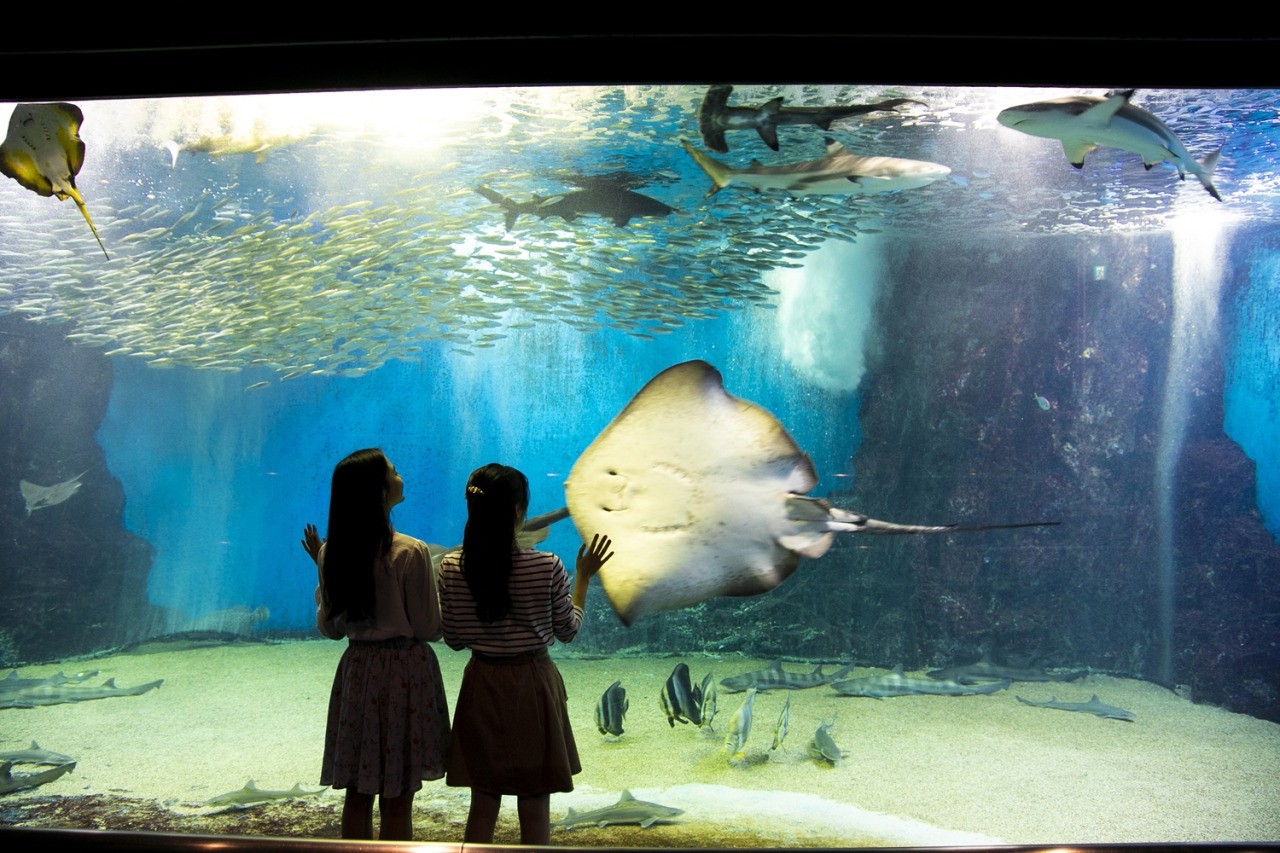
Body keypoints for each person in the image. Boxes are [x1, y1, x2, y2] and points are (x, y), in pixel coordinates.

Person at [437, 462, 613, 845]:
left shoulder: (451, 568)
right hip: (532, 685)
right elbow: (568, 631)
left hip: (482, 684)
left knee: (483, 798)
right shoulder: (547, 565)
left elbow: (451, 637)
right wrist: (583, 576)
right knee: (535, 799)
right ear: (518, 511)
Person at [304, 448, 450, 841]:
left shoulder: (330, 552)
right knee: (398, 793)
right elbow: (428, 627)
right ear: (379, 489)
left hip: (359, 674)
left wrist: (321, 574)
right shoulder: (411, 551)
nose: (400, 474)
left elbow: (332, 629)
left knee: (357, 789)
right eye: (394, 470)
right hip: (405, 674)